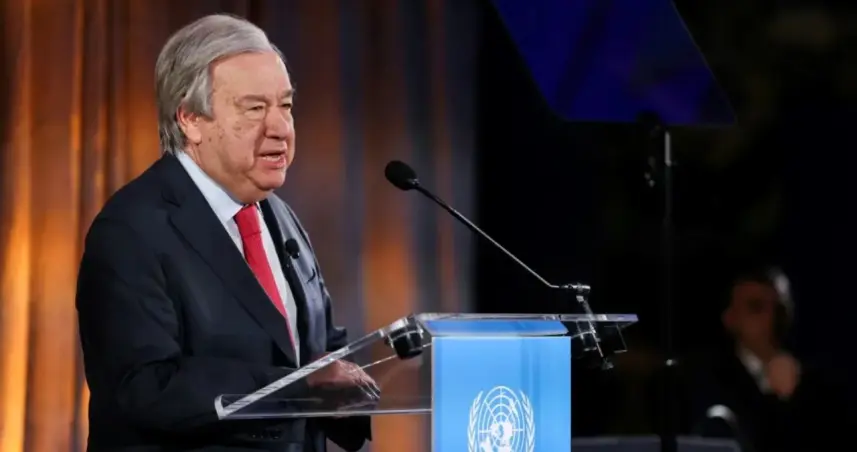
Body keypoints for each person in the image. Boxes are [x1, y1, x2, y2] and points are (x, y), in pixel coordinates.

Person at [76, 14, 375, 451]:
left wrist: (353, 383)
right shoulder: (131, 230)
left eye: (286, 106)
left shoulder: (280, 216)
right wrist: (297, 387)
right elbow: (145, 387)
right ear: (190, 119)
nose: (281, 128)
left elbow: (318, 345)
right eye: (255, 108)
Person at [685, 265, 852, 452]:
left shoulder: (815, 382)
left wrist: (790, 398)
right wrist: (776, 400)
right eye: (756, 307)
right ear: (730, 318)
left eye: (778, 309)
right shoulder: (707, 380)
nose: (770, 317)